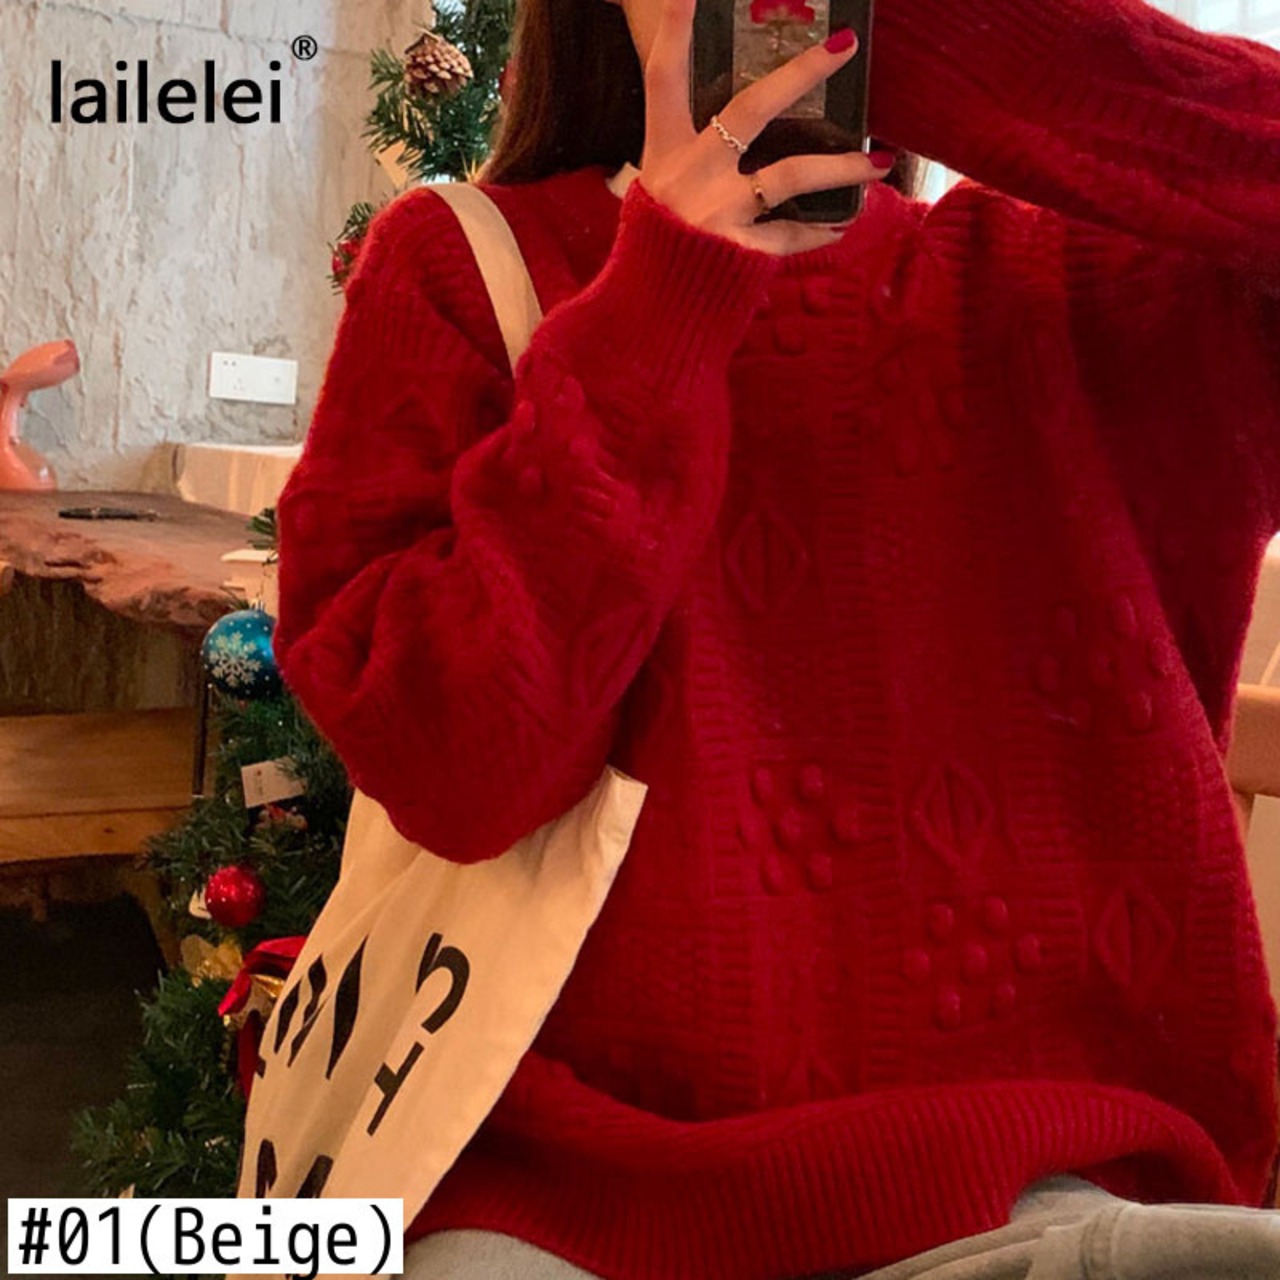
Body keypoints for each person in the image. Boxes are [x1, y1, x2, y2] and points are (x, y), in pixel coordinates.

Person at [270, 0, 1280, 1273]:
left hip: (1035, 1187)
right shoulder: (461, 262)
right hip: (562, 1197)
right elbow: (455, 768)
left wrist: (932, 45)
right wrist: (661, 302)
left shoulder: (1059, 280)